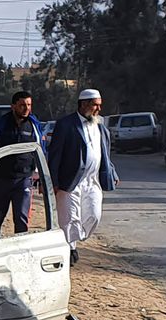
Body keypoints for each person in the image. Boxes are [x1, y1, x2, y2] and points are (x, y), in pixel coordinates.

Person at [45, 88, 118, 261]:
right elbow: (55, 155)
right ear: (84, 104)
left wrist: (112, 172)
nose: (99, 109)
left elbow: (105, 154)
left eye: (100, 105)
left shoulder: (100, 127)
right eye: (95, 105)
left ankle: (75, 239)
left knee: (94, 214)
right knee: (69, 217)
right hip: (70, 181)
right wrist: (52, 182)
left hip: (93, 181)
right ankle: (69, 249)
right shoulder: (66, 125)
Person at [0, 91, 42, 237]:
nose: (26, 109)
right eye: (22, 105)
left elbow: (40, 151)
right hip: (1, 180)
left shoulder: (33, 126)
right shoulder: (0, 125)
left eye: (29, 105)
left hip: (24, 180)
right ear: (13, 106)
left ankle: (21, 252)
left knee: (21, 220)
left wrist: (41, 177)